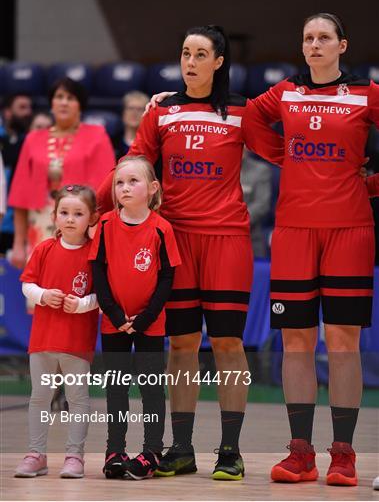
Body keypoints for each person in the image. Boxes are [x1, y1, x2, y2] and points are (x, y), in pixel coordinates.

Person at [97, 25, 283, 480]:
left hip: (227, 241)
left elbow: (280, 152)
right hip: (175, 240)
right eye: (185, 53)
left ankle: (230, 450)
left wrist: (344, 169)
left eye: (201, 53)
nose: (191, 61)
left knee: (227, 343)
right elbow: (131, 167)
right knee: (180, 344)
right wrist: (91, 212)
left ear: (219, 61)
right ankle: (180, 448)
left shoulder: (240, 111)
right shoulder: (161, 112)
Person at [244, 13, 379, 487]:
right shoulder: (285, 93)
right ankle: (300, 453)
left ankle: (343, 454)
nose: (315, 45)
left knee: (343, 341)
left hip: (349, 230)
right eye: (308, 38)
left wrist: (375, 182)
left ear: (343, 45)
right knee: (296, 341)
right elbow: (249, 118)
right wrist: (283, 155)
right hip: (294, 232)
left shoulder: (366, 93)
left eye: (324, 38)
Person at [90, 155, 181, 480]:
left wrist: (144, 318)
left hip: (149, 324)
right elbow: (98, 271)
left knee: (151, 389)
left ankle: (152, 451)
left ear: (153, 188)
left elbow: (168, 277)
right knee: (116, 389)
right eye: (119, 183)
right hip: (112, 322)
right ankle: (114, 449)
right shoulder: (103, 226)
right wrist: (114, 313)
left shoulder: (161, 229)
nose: (125, 188)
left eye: (133, 181)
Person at [14, 185, 99, 479]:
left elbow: (103, 296)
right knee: (40, 397)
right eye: (64, 212)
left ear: (92, 218)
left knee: (77, 398)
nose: (70, 219)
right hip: (44, 339)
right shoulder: (44, 249)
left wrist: (83, 304)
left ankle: (75, 455)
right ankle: (36, 454)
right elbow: (26, 284)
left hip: (76, 341)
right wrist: (41, 295)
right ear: (54, 216)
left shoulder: (94, 254)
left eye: (78, 213)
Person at [8, 77, 115, 270]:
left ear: (80, 105)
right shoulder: (33, 138)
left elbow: (106, 190)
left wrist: (97, 235)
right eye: (59, 97)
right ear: (51, 103)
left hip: (82, 223)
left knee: (76, 284)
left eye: (70, 97)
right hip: (39, 223)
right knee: (40, 287)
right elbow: (20, 195)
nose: (64, 102)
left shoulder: (97, 135)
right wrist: (18, 244)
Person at [0, 93, 33, 254]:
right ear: (7, 112)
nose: (28, 112)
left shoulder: (29, 142)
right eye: (22, 107)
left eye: (29, 108)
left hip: (16, 224)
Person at [240, 150, 272, 257]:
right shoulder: (218, 170)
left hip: (250, 239)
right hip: (220, 238)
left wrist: (235, 220)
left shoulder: (260, 170)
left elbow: (262, 205)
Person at [112, 91, 150, 161]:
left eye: (139, 109)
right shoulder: (112, 143)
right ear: (123, 112)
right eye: (130, 108)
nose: (134, 113)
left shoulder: (152, 144)